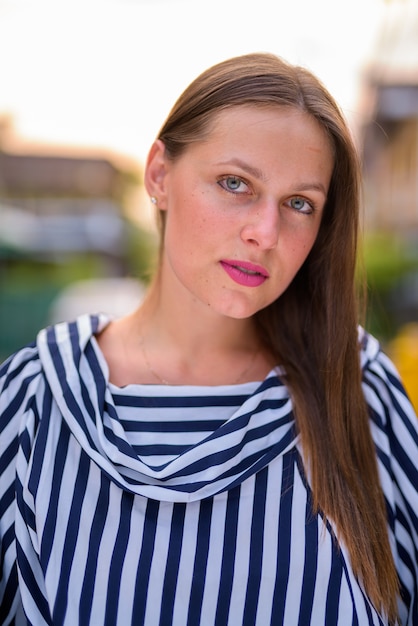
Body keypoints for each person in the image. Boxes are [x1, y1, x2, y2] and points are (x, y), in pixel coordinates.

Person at [0, 53, 417, 626]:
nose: (265, 233)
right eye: (235, 183)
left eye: (300, 203)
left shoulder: (361, 388)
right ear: (159, 175)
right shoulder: (29, 401)